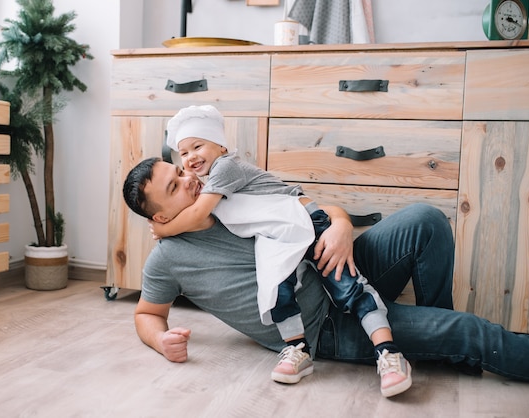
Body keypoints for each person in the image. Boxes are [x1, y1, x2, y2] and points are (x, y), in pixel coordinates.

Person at [123, 158, 529, 390]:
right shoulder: (168, 259)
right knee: (472, 333)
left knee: (426, 219)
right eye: (175, 187)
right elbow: (146, 313)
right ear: (159, 217)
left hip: (340, 265)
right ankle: (444, 340)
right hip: (323, 325)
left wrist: (344, 225)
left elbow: (306, 206)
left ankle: (431, 341)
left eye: (179, 170)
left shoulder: (224, 189)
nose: (189, 179)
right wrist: (161, 340)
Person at [145, 105, 410, 396]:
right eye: (183, 153)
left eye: (197, 146)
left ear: (221, 146)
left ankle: (388, 353)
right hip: (279, 236)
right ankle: (298, 350)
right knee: (275, 291)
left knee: (347, 287)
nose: (190, 159)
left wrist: (163, 229)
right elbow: (146, 313)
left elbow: (197, 214)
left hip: (303, 222)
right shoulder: (209, 193)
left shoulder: (224, 170)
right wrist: (160, 339)